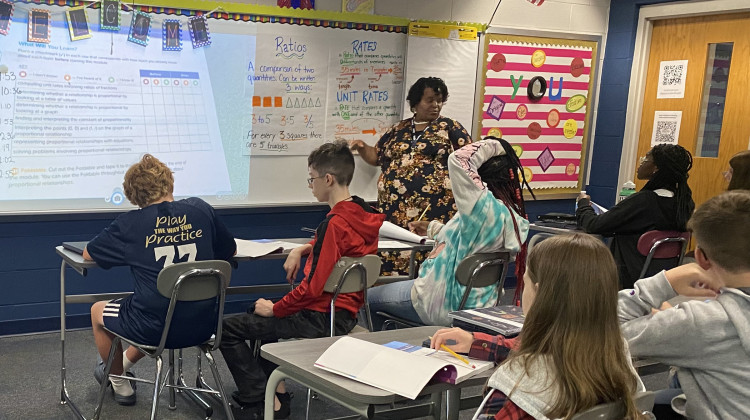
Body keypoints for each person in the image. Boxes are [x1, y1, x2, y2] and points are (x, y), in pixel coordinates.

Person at [219, 140, 385, 419]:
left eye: (312, 179)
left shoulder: (333, 224)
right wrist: (305, 247)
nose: (311, 185)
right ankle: (275, 392)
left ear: (328, 179)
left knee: (228, 328)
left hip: (320, 316)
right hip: (344, 312)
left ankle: (260, 401)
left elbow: (312, 289)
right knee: (259, 319)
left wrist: (277, 308)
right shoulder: (362, 214)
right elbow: (342, 249)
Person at [431, 233, 645, 419]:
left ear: (540, 294)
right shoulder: (617, 358)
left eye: (525, 282)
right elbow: (538, 348)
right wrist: (476, 342)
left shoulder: (517, 388)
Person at [84, 154, 237, 406]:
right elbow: (228, 251)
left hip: (154, 328)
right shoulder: (201, 209)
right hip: (205, 324)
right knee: (165, 311)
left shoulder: (129, 224)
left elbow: (91, 253)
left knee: (98, 310)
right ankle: (122, 366)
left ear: (133, 195)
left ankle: (120, 383)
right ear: (170, 183)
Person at [367, 138, 531, 328]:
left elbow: (458, 159)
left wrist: (499, 145)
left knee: (365, 299)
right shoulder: (506, 213)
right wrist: (432, 228)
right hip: (478, 303)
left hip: (441, 302)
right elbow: (467, 240)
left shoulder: (482, 207)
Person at [618, 190, 750, 420]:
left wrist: (666, 281)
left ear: (700, 257)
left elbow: (608, 330)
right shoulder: (701, 321)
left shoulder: (704, 323)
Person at [350, 76, 472, 275]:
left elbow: (470, 159)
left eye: (440, 100)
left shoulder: (450, 128)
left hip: (434, 212)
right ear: (415, 103)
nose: (436, 105)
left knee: (429, 260)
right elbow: (377, 157)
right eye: (430, 100)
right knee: (395, 258)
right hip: (395, 211)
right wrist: (362, 147)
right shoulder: (398, 129)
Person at [576, 143, 695, 289]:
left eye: (646, 159)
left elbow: (593, 225)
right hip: (662, 278)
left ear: (655, 168)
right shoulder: (684, 202)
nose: (640, 163)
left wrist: (583, 204)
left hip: (628, 277)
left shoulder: (644, 201)